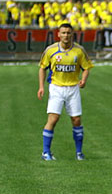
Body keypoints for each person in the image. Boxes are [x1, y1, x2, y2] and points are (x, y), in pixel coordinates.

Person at [37, 23, 93, 161]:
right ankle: (46, 152)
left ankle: (79, 153)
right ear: (58, 34)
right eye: (63, 33)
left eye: (68, 33)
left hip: (73, 88)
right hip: (56, 87)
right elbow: (42, 68)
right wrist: (41, 87)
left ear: (72, 34)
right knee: (53, 118)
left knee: (76, 120)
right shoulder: (51, 50)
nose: (66, 35)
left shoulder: (79, 50)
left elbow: (86, 67)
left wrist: (84, 80)